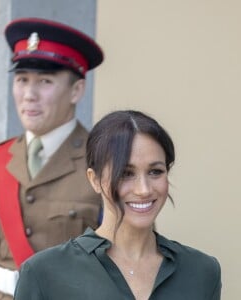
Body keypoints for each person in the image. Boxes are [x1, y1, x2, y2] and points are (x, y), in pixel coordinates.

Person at [0, 18, 104, 300]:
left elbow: (130, 258)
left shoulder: (103, 160)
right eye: (22, 80)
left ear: (77, 91)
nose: (29, 95)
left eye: (45, 82)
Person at [14, 110, 222, 300]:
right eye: (125, 174)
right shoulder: (44, 273)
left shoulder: (202, 271)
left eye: (155, 171)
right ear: (94, 180)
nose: (144, 189)